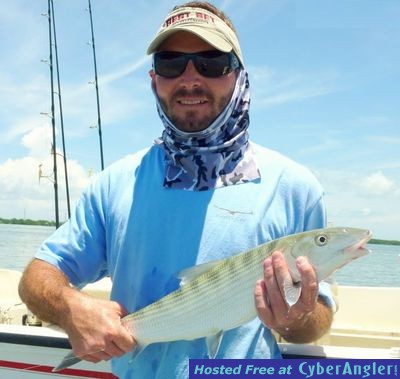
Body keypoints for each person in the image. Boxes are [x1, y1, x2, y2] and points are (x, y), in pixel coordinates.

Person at [19, 2, 335, 378]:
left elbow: (319, 317)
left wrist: (296, 319)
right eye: (171, 63)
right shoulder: (114, 184)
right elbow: (37, 278)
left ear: (238, 76)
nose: (190, 78)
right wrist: (71, 307)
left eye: (211, 61)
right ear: (155, 79)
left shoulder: (295, 187)